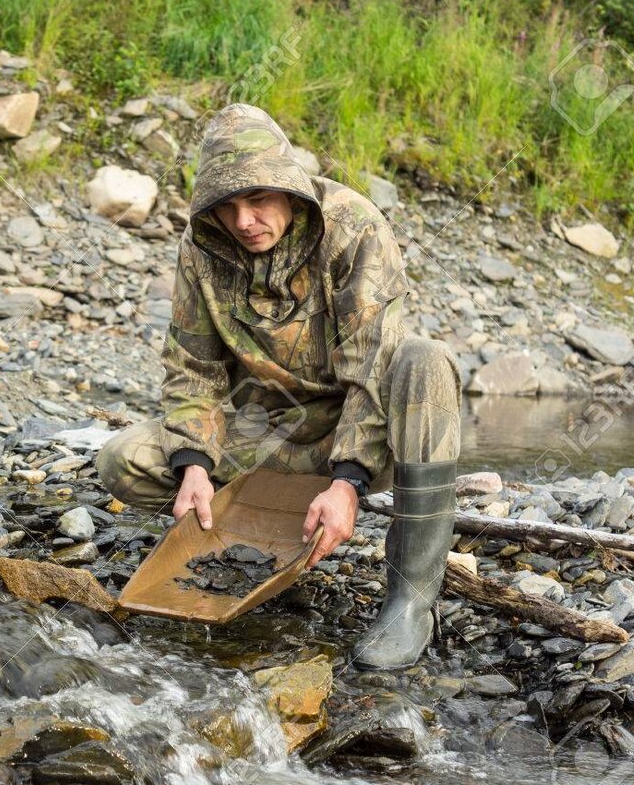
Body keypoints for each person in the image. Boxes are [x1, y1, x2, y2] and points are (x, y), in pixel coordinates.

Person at [96, 104, 462, 670]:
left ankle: (412, 601)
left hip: (355, 435)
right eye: (227, 207)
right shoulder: (203, 247)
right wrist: (193, 463)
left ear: (290, 190)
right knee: (124, 460)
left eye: (259, 199)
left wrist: (348, 483)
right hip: (266, 433)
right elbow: (193, 368)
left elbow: (372, 368)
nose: (244, 221)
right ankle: (265, 543)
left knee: (425, 361)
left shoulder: (354, 228)